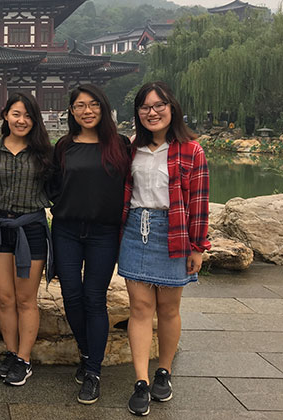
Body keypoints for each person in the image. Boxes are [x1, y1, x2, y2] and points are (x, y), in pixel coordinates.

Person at [121, 81, 210, 416]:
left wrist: (198, 247)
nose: (152, 112)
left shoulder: (191, 150)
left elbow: (199, 201)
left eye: (159, 106)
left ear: (172, 108)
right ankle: (141, 381)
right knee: (140, 308)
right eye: (145, 107)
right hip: (136, 230)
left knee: (169, 309)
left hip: (173, 230)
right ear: (138, 113)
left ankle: (164, 372)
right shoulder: (132, 147)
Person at [50, 84, 131, 404]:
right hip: (67, 230)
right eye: (80, 106)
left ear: (103, 107)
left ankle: (94, 372)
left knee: (94, 298)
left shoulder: (120, 145)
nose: (87, 111)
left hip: (103, 233)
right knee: (71, 295)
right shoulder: (64, 146)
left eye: (93, 104)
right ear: (71, 111)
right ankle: (87, 353)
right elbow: (53, 184)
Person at [0, 92, 53, 386]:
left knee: (26, 299)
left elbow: (57, 189)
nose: (21, 120)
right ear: (5, 115)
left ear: (34, 119)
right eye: (16, 114)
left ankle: (24, 359)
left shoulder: (44, 153)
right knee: (5, 298)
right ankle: (11, 352)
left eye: (27, 115)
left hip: (31, 229)